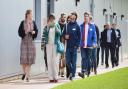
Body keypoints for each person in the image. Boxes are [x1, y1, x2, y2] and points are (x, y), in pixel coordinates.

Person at [18, 10, 38, 82]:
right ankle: (24, 73)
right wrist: (25, 32)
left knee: (29, 60)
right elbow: (19, 32)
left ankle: (27, 76)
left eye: (31, 14)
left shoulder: (33, 22)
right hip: (24, 42)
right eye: (30, 14)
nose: (31, 15)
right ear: (27, 15)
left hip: (31, 42)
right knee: (24, 60)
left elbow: (36, 31)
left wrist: (34, 32)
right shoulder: (22, 22)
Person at [43, 14, 61, 83]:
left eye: (53, 18)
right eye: (50, 18)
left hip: (56, 45)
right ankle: (50, 77)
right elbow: (44, 34)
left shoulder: (57, 25)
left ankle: (56, 77)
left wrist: (55, 27)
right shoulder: (47, 26)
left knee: (55, 61)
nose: (51, 20)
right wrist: (47, 27)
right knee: (49, 61)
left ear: (54, 19)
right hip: (48, 45)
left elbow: (60, 33)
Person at [78, 12, 97, 78]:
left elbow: (94, 36)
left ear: (89, 18)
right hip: (82, 46)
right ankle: (83, 71)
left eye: (87, 16)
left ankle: (88, 71)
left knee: (88, 59)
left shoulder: (92, 26)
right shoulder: (81, 26)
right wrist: (78, 45)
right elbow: (79, 36)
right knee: (83, 58)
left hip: (90, 46)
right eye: (85, 16)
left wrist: (94, 43)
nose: (86, 17)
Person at [63, 12, 80, 80]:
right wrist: (65, 36)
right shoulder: (66, 25)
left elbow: (79, 37)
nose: (72, 19)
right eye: (71, 18)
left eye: (74, 18)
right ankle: (72, 72)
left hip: (74, 47)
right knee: (67, 62)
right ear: (70, 18)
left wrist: (77, 45)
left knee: (74, 62)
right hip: (68, 47)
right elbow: (63, 34)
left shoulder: (77, 26)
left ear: (75, 18)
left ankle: (72, 75)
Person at [58, 13, 67, 77]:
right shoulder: (57, 25)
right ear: (61, 17)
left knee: (63, 58)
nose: (64, 18)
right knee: (58, 58)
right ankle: (58, 70)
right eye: (63, 17)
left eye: (65, 17)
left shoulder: (67, 25)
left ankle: (62, 72)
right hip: (58, 43)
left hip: (64, 43)